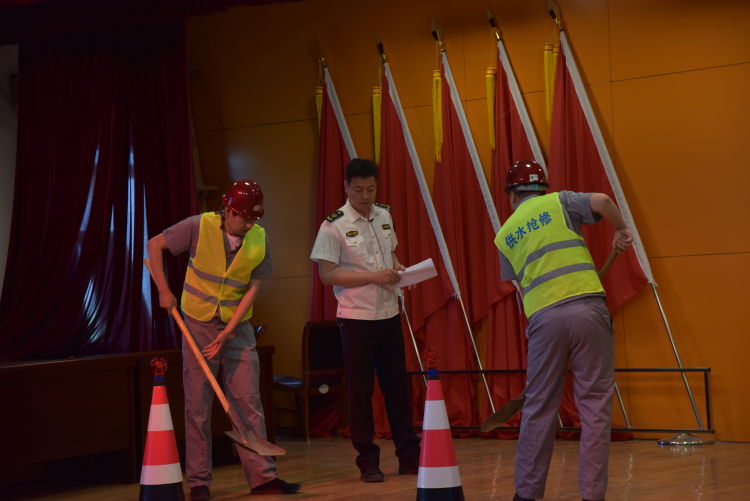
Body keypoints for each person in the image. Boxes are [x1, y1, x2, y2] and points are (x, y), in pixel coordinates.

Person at [147, 179, 300, 500]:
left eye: (254, 218)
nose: (249, 224)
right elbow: (154, 245)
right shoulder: (197, 226)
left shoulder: (259, 237)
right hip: (197, 323)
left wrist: (229, 331)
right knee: (198, 405)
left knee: (248, 402)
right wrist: (163, 290)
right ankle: (199, 482)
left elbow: (255, 287)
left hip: (237, 327)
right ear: (228, 210)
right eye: (244, 217)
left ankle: (262, 478)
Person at [493, 160, 633, 501]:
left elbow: (520, 289)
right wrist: (620, 229)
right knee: (595, 406)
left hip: (544, 320)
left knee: (539, 407)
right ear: (542, 188)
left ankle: (526, 495)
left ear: (512, 196)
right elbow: (602, 201)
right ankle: (592, 496)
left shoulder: (504, 235)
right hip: (588, 311)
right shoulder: (560, 202)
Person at [310, 158, 421, 483]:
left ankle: (409, 456)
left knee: (397, 389)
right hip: (356, 319)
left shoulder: (384, 214)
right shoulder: (333, 225)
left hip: (389, 314)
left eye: (371, 189)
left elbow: (391, 256)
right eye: (358, 190)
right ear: (347, 187)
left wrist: (401, 272)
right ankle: (367, 460)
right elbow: (328, 275)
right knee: (361, 392)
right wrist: (375, 276)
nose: (365, 196)